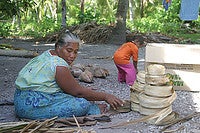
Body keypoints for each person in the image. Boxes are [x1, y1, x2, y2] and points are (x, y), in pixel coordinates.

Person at [14, 31, 124, 120]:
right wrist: (106, 96)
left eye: (75, 52)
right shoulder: (59, 65)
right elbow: (77, 91)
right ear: (58, 47)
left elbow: (66, 87)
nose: (72, 56)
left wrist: (88, 93)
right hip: (30, 106)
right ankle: (92, 110)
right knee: (82, 104)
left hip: (19, 99)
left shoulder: (48, 54)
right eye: (69, 50)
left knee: (84, 95)